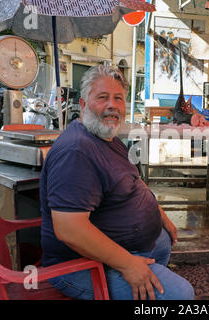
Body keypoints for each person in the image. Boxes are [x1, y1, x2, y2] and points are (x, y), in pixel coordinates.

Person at [39, 65, 194, 300]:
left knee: (162, 240)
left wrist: (159, 215)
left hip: (125, 246)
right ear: (82, 104)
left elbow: (133, 182)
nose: (112, 105)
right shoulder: (77, 151)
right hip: (80, 266)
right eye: (102, 97)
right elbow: (69, 229)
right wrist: (128, 265)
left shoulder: (107, 138)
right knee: (181, 294)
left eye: (118, 98)